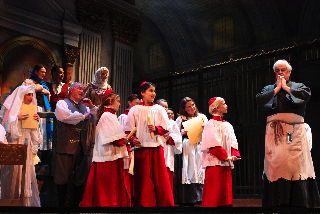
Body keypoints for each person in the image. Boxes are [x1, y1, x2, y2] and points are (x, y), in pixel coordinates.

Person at [256, 59, 320, 208]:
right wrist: (277, 89)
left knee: (296, 166)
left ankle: (299, 201)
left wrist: (286, 88)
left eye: (283, 70)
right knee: (277, 165)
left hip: (294, 132)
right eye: (277, 70)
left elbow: (305, 95)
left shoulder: (299, 87)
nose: (280, 73)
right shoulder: (269, 88)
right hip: (275, 133)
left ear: (289, 72)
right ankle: (277, 201)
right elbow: (260, 99)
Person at [126, 81, 174, 207]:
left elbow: (167, 127)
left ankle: (164, 204)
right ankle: (145, 204)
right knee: (143, 179)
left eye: (154, 91)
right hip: (141, 148)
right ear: (142, 93)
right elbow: (128, 129)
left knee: (160, 178)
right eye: (150, 91)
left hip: (156, 148)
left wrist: (156, 129)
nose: (153, 93)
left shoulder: (158, 109)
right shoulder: (135, 109)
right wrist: (133, 139)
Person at [80, 90, 132, 207]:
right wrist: (125, 140)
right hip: (108, 157)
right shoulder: (107, 115)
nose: (119, 104)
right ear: (110, 101)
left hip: (112, 155)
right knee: (107, 186)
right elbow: (112, 137)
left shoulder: (111, 115)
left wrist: (127, 140)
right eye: (118, 101)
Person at [53, 82, 97, 207]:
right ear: (71, 90)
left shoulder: (85, 106)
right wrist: (84, 116)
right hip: (66, 146)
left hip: (82, 147)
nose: (82, 91)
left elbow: (96, 117)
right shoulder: (62, 103)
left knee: (80, 179)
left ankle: (75, 205)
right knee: (63, 177)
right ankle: (61, 206)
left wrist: (92, 107)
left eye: (83, 89)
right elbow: (66, 117)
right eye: (79, 88)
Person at [0, 85, 42, 206]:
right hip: (14, 143)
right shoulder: (12, 109)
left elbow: (35, 135)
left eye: (32, 95)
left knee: (26, 173)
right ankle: (10, 200)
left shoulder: (32, 109)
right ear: (21, 95)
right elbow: (4, 124)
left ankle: (24, 203)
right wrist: (16, 118)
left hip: (26, 143)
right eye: (28, 94)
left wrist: (36, 122)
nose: (30, 97)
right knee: (13, 173)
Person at [201, 97, 241, 207]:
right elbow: (213, 144)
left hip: (225, 162)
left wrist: (234, 154)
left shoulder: (227, 125)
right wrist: (226, 156)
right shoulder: (210, 124)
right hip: (215, 163)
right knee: (214, 193)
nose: (226, 106)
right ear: (216, 108)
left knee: (225, 193)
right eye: (223, 104)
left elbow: (233, 142)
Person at [174, 97, 207, 206]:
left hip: (199, 146)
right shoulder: (180, 119)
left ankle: (200, 197)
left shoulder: (201, 117)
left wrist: (205, 128)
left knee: (199, 169)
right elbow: (174, 134)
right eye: (188, 106)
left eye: (192, 105)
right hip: (187, 146)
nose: (191, 108)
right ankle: (188, 198)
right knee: (188, 170)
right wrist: (182, 132)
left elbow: (209, 131)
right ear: (184, 108)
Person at [156, 99, 182, 190]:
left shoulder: (172, 123)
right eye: (162, 106)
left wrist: (169, 138)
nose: (164, 108)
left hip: (167, 151)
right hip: (156, 150)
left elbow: (178, 138)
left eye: (166, 107)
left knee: (167, 178)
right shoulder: (154, 120)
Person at [29, 64, 53, 151]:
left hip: (43, 109)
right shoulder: (30, 81)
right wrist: (41, 89)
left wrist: (47, 93)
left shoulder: (44, 84)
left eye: (45, 72)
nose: (44, 74)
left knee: (43, 130)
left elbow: (48, 99)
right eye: (42, 72)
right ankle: (35, 150)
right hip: (33, 109)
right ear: (36, 72)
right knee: (35, 130)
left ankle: (42, 151)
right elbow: (25, 91)